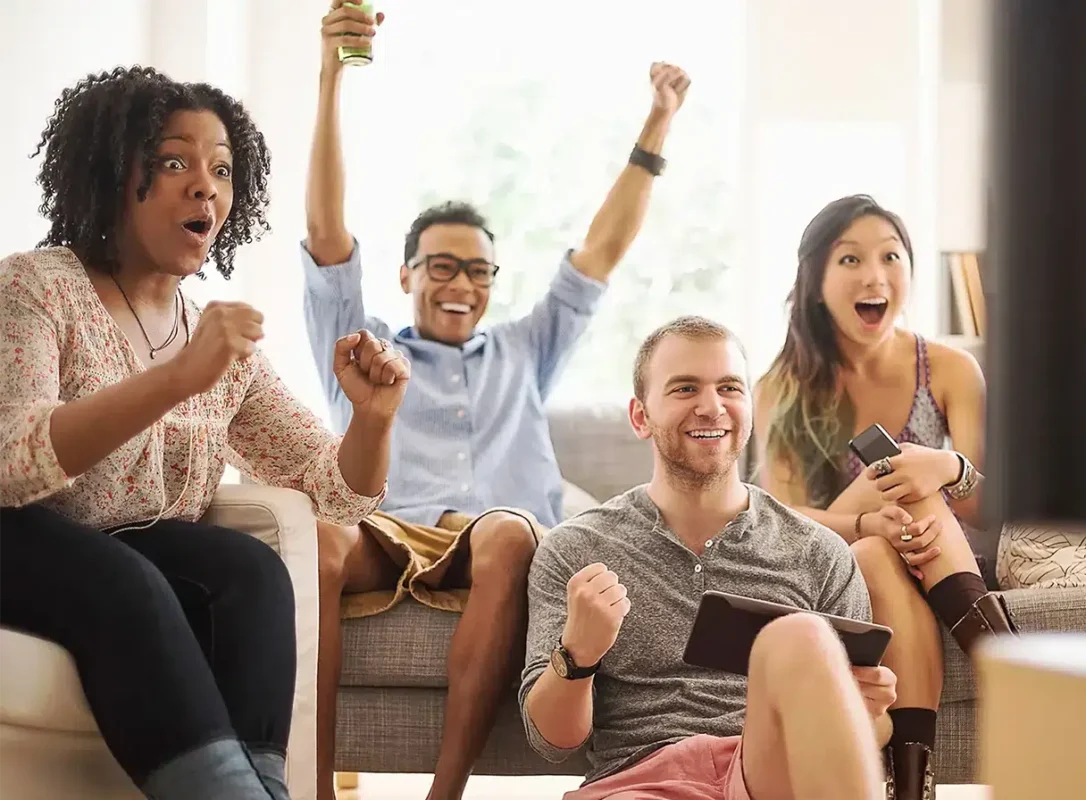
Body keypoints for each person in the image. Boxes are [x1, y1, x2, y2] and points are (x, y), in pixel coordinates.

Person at [300, 4, 691, 798]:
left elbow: (601, 252)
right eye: (442, 267)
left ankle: (444, 793)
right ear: (406, 275)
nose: (462, 285)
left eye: (479, 271)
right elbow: (327, 229)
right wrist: (331, 75)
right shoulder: (363, 346)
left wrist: (657, 125)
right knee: (318, 540)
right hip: (389, 527)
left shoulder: (523, 349)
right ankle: (311, 784)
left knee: (511, 532)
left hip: (495, 538)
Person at [0, 66, 409, 800]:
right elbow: (13, 459)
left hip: (119, 551)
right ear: (112, 172)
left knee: (249, 571)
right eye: (173, 162)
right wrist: (177, 378)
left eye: (221, 169)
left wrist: (372, 418)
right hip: (16, 536)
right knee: (122, 579)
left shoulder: (217, 342)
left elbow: (334, 492)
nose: (205, 188)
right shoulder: (38, 287)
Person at [521, 316, 897, 800]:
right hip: (638, 782)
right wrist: (578, 654)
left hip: (766, 777)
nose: (711, 406)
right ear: (640, 417)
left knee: (798, 635)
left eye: (729, 388)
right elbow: (552, 742)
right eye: (685, 389)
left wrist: (864, 710)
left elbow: (874, 734)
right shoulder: (575, 549)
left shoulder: (819, 552)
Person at [753, 194, 1016, 799]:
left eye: (891, 257)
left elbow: (989, 512)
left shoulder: (948, 369)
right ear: (816, 282)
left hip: (939, 559)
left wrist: (946, 466)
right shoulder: (780, 387)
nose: (875, 276)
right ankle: (1008, 665)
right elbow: (785, 521)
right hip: (837, 562)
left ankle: (912, 788)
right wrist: (870, 522)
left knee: (910, 483)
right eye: (850, 259)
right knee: (879, 526)